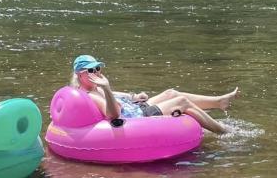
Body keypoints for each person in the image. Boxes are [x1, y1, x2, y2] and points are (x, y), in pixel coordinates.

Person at [69, 55, 237, 134]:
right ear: (79, 75)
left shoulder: (93, 87)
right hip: (136, 117)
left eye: (98, 68)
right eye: (91, 70)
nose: (97, 72)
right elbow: (113, 114)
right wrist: (106, 87)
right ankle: (224, 131)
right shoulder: (89, 95)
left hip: (134, 107)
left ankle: (219, 102)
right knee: (182, 101)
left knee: (171, 92)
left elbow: (116, 94)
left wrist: (133, 96)